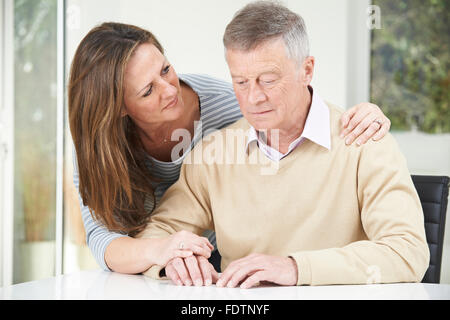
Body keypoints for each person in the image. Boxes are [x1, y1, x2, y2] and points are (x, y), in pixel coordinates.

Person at [136, 1, 429, 288]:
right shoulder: (213, 154)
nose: (253, 98)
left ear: (307, 70)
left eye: (268, 80)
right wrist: (174, 258)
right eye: (240, 82)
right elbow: (157, 235)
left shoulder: (363, 141)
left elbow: (407, 252)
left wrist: (295, 268)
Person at [69, 21, 391, 275]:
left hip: (227, 264)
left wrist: (359, 116)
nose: (169, 91)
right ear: (119, 108)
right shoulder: (101, 146)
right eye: (147, 91)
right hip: (156, 267)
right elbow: (103, 238)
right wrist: (163, 251)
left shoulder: (234, 106)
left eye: (165, 69)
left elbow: (299, 116)